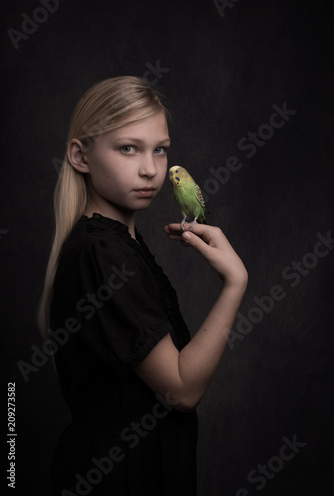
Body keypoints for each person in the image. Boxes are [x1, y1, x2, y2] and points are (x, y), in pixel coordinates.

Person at [38, 76, 248, 495]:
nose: (151, 168)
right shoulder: (102, 253)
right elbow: (181, 389)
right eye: (128, 148)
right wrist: (235, 283)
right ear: (80, 156)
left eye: (160, 148)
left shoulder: (122, 243)